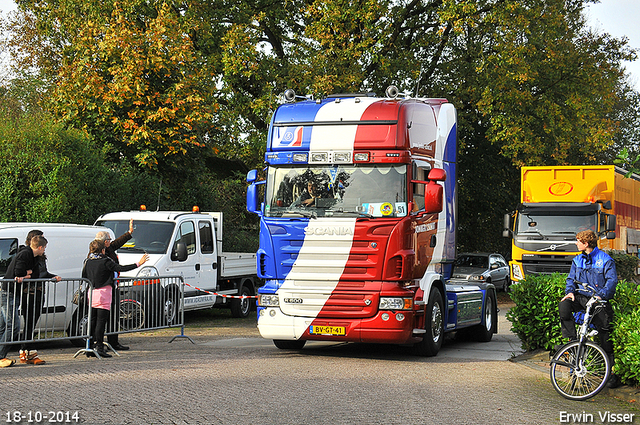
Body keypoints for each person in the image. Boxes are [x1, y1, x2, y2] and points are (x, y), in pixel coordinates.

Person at [559, 229, 620, 388]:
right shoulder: (577, 260)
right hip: (581, 298)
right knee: (564, 305)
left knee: (605, 334)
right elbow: (570, 279)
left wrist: (600, 296)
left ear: (586, 243)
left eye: (578, 240)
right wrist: (570, 292)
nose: (576, 243)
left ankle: (610, 372)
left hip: (598, 299)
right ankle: (573, 342)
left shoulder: (606, 260)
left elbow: (612, 282)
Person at [82, 239, 148, 358]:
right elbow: (120, 268)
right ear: (103, 250)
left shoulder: (87, 261)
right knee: (101, 322)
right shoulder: (105, 261)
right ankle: (100, 347)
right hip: (104, 293)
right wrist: (138, 263)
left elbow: (84, 276)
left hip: (91, 292)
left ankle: (89, 346)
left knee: (92, 320)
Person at [0, 235, 47, 367]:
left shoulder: (29, 255)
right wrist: (27, 274)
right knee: (13, 326)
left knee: (3, 326)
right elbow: (18, 273)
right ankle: (1, 356)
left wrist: (26, 274)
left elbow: (22, 274)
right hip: (8, 292)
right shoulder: (25, 254)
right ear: (40, 247)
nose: (44, 251)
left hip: (10, 292)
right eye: (44, 248)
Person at [18, 230, 62, 365]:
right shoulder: (28, 254)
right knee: (29, 322)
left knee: (33, 322)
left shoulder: (40, 256)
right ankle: (26, 351)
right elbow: (26, 273)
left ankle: (27, 350)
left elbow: (43, 272)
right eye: (41, 238)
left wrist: (52, 276)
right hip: (29, 293)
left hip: (39, 291)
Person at [95, 219, 134, 351]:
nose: (111, 241)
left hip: (113, 286)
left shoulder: (109, 248)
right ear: (104, 242)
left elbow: (118, 242)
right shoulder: (99, 255)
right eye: (109, 239)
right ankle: (98, 344)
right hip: (104, 288)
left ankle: (113, 341)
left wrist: (129, 233)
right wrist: (137, 264)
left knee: (114, 315)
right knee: (101, 318)